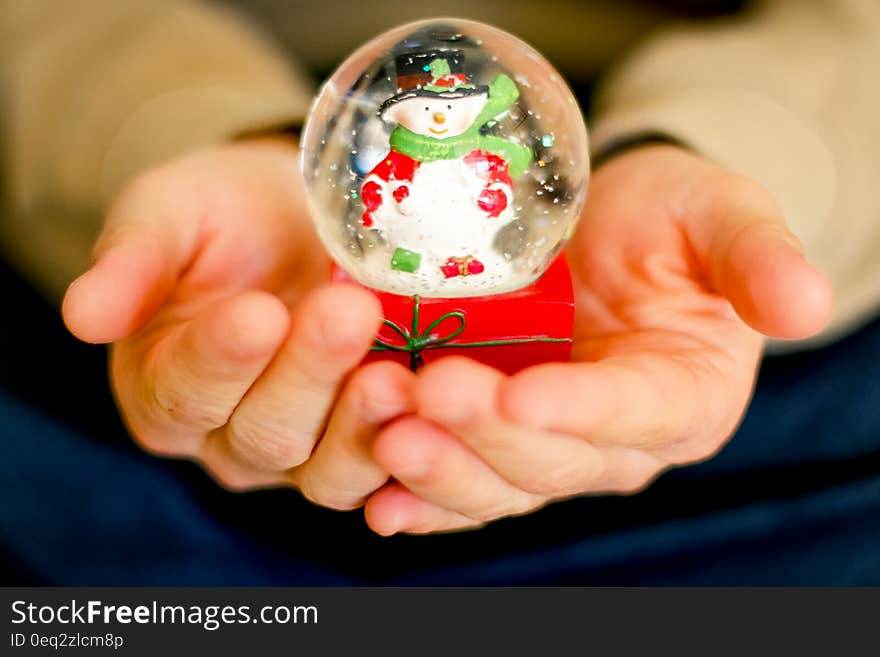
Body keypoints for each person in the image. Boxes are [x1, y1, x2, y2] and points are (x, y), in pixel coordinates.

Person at [2, 0, 879, 583]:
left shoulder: (507, 152)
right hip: (178, 172)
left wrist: (752, 148)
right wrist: (160, 125)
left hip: (749, 324)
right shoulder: (375, 151)